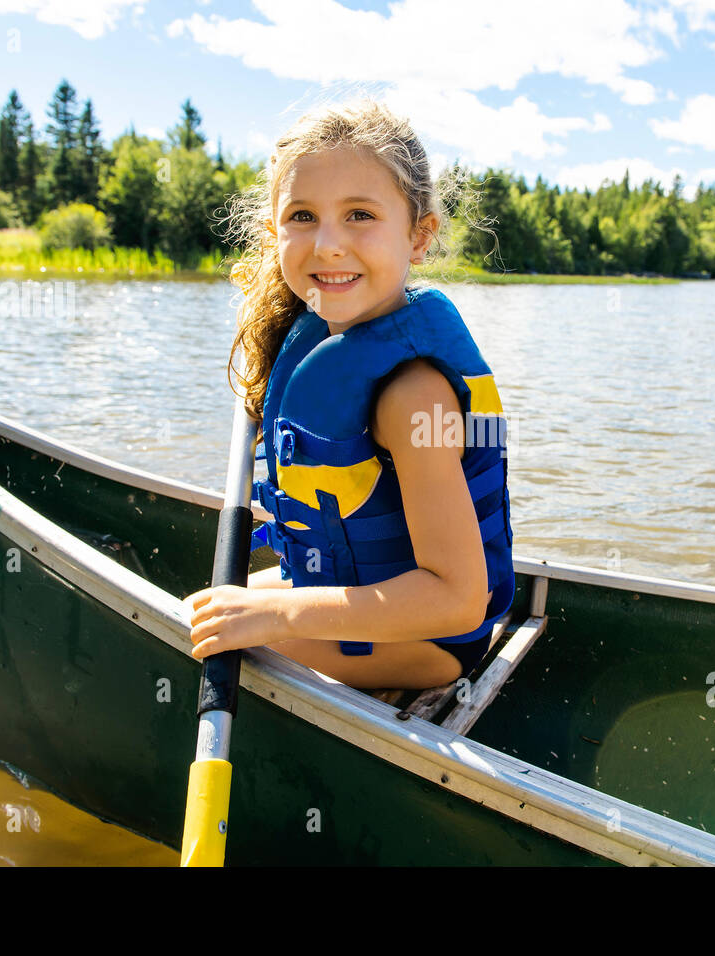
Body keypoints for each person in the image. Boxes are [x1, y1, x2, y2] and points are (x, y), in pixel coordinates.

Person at [184, 99, 514, 691]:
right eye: (303, 216)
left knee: (197, 641)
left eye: (360, 214)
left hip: (430, 639)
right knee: (195, 612)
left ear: (419, 235)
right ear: (274, 233)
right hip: (357, 595)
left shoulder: (414, 398)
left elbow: (461, 600)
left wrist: (279, 615)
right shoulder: (315, 344)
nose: (328, 244)